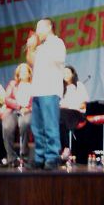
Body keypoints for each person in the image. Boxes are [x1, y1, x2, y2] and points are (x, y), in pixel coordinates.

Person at [26, 19, 67, 170]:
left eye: (39, 28)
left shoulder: (57, 43)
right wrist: (31, 47)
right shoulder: (40, 47)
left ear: (49, 27)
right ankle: (40, 156)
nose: (37, 32)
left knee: (50, 126)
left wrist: (41, 48)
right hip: (37, 90)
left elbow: (59, 59)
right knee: (37, 127)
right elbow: (32, 62)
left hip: (50, 90)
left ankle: (52, 156)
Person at [2, 63, 34, 166]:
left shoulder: (34, 85)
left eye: (25, 71)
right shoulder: (13, 84)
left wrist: (28, 109)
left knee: (24, 123)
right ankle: (11, 157)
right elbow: (6, 99)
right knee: (7, 126)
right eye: (21, 72)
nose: (23, 73)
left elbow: (36, 101)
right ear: (18, 74)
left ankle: (24, 156)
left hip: (28, 111)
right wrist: (19, 106)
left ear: (29, 73)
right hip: (14, 110)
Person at [59, 65, 90, 160]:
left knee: (61, 115)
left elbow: (83, 105)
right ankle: (65, 148)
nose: (65, 74)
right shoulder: (60, 88)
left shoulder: (79, 85)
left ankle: (65, 147)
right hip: (63, 114)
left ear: (73, 74)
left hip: (77, 113)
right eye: (63, 73)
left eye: (68, 72)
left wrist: (70, 106)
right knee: (58, 116)